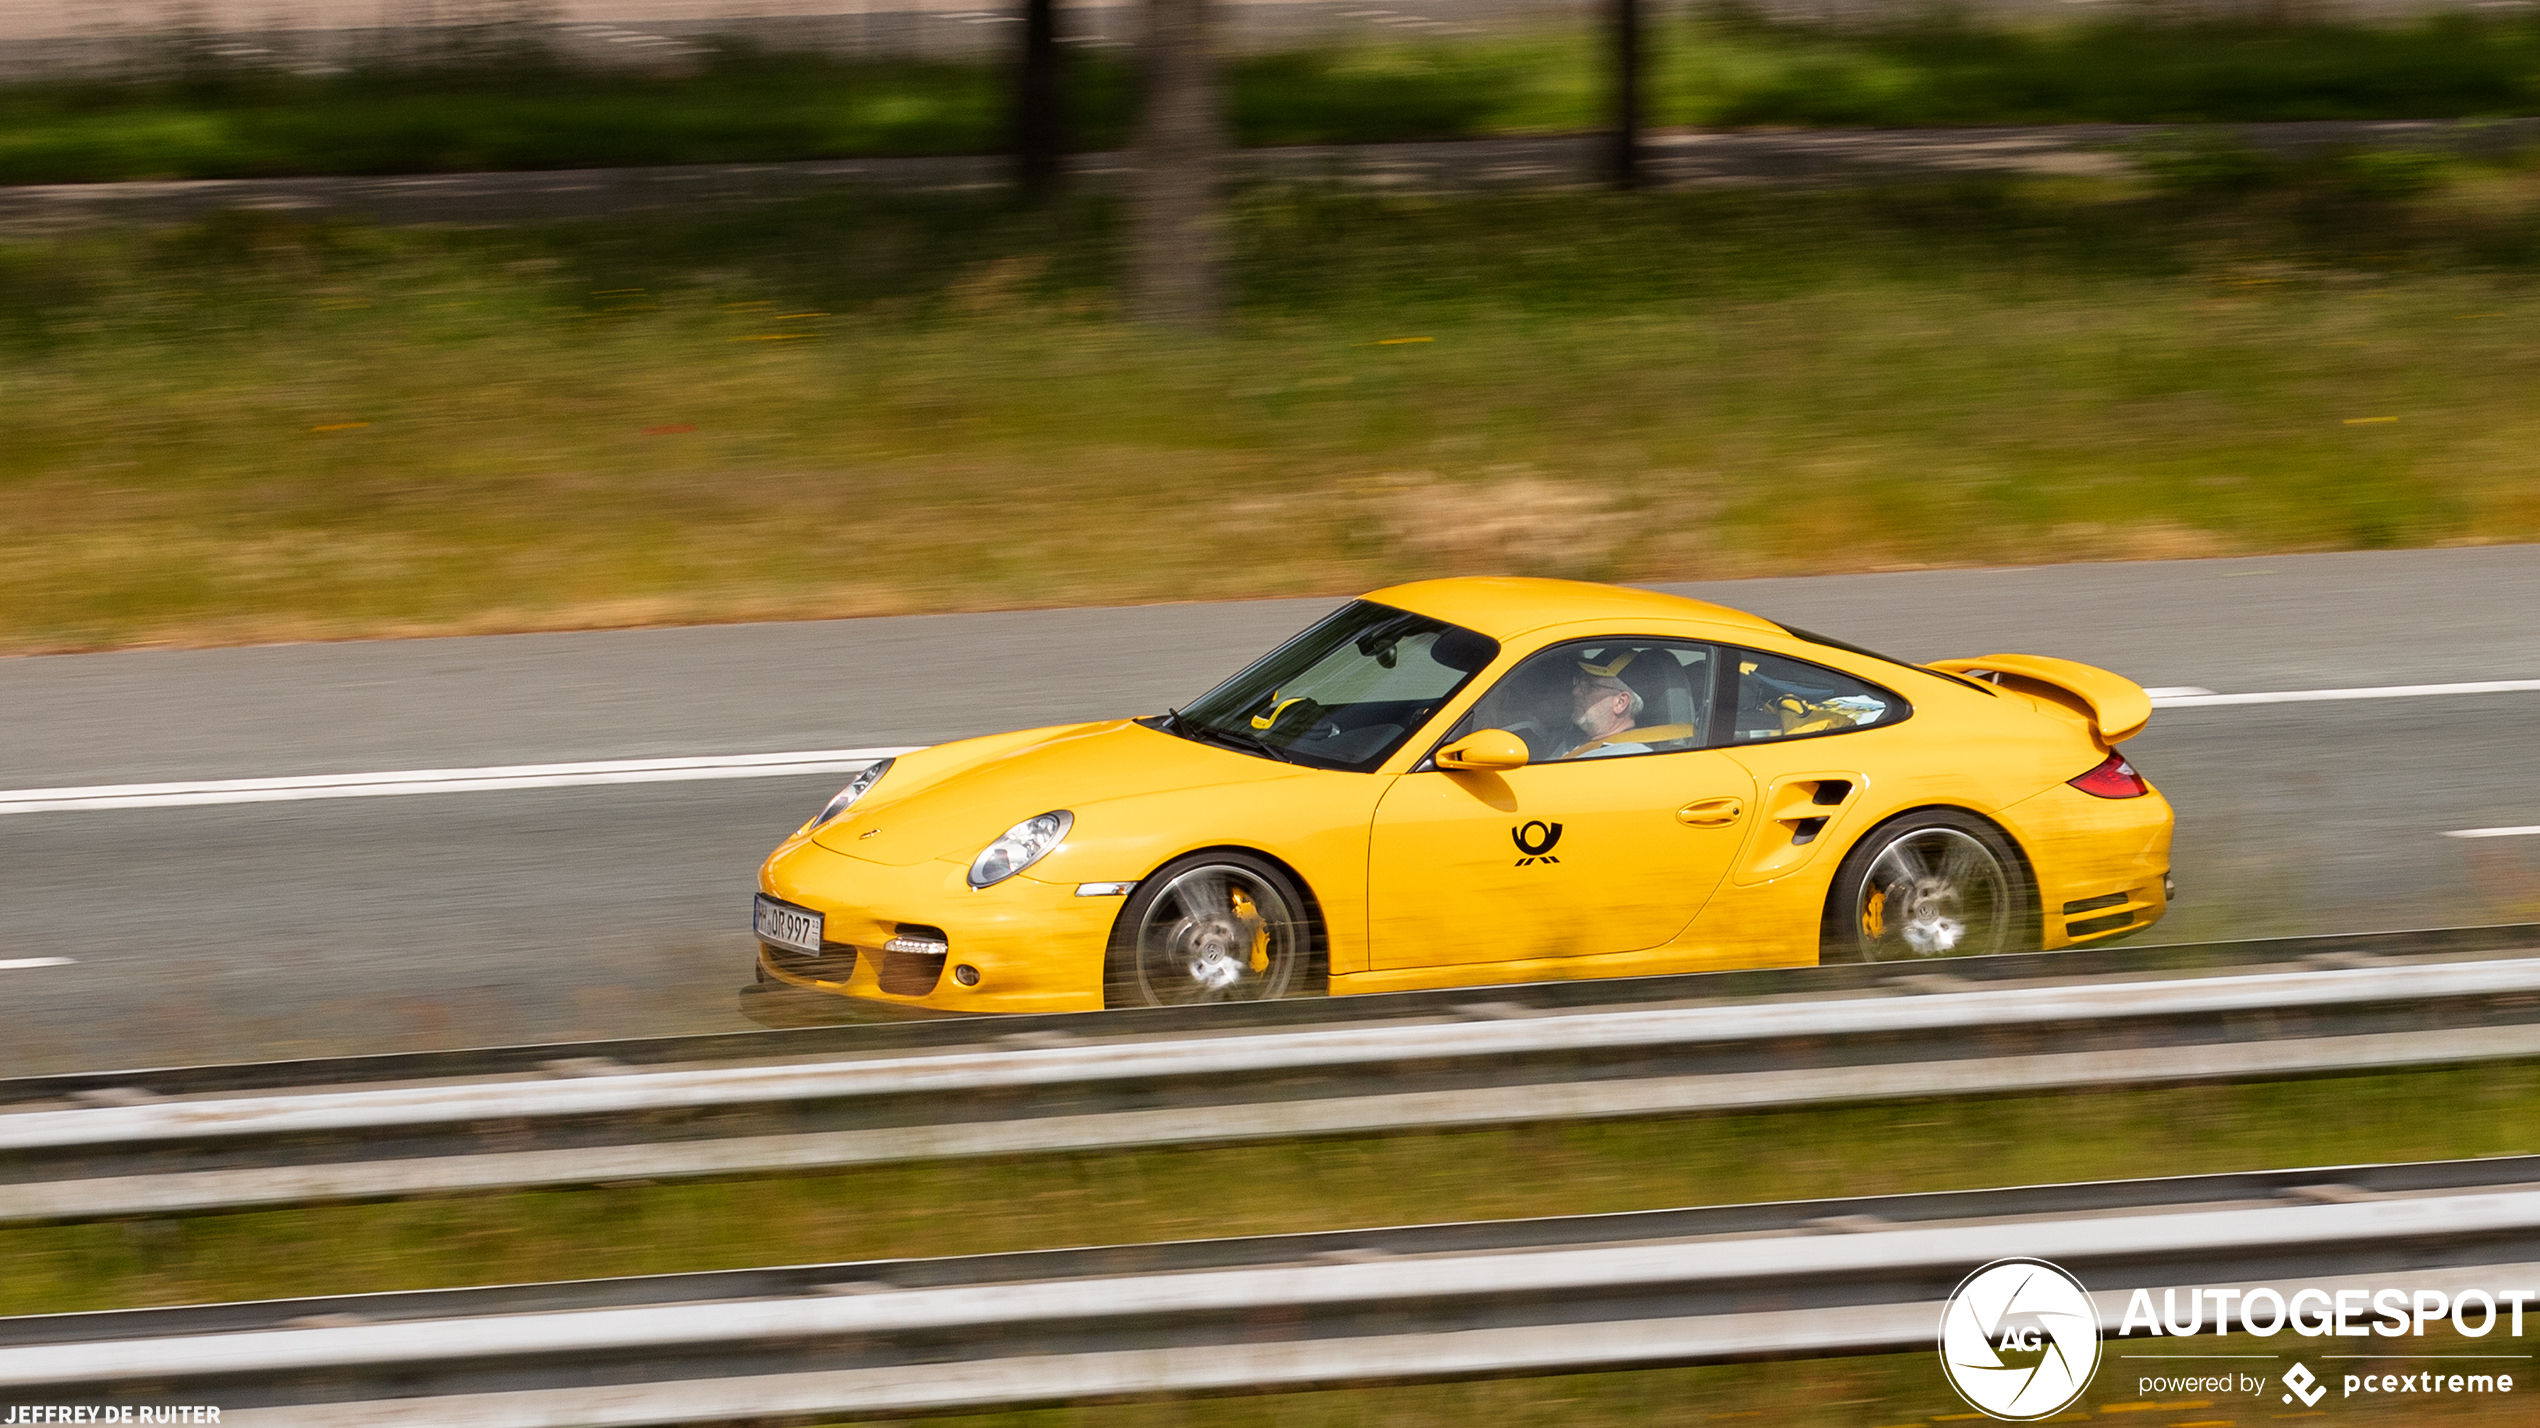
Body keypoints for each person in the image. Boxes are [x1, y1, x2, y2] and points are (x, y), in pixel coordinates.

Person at [1562, 651, 1653, 759]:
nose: (1575, 691)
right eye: (1579, 682)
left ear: (1620, 702)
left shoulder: (1632, 757)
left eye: (1591, 686)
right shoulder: (1572, 737)